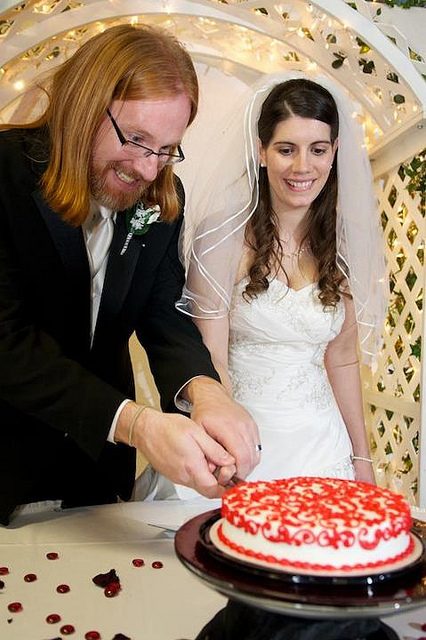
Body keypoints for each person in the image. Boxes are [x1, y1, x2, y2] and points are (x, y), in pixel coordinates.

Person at [0, 23, 261, 525]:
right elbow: (7, 345)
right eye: (137, 139)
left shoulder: (164, 196)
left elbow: (165, 315)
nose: (148, 170)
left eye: (167, 148)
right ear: (84, 105)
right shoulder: (4, 172)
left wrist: (206, 391)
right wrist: (137, 425)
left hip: (97, 473)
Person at [177, 74, 388, 489]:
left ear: (334, 152)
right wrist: (225, 448)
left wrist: (360, 456)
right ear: (261, 151)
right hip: (244, 439)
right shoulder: (222, 238)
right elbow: (212, 357)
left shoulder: (344, 245)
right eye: (286, 149)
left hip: (324, 448)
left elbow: (342, 359)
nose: (302, 167)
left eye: (318, 150)